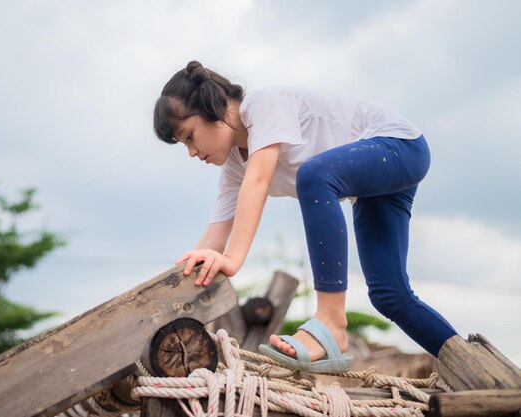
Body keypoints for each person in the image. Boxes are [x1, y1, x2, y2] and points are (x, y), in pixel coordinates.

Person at [153, 60, 458, 372]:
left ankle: (330, 321)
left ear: (211, 108)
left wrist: (233, 258)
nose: (191, 152)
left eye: (189, 136)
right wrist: (167, 301)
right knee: (390, 295)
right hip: (375, 183)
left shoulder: (264, 106)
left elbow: (257, 183)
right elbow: (211, 243)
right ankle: (468, 362)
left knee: (314, 175)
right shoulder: (233, 166)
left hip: (400, 147)